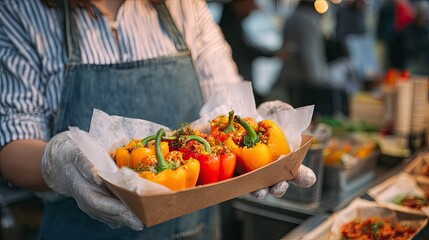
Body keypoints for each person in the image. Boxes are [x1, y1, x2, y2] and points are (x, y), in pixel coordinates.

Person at [0, 0, 316, 239]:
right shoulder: (22, 10)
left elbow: (226, 105)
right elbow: (12, 141)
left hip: (192, 230)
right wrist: (58, 162)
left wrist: (262, 137)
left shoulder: (184, 5)